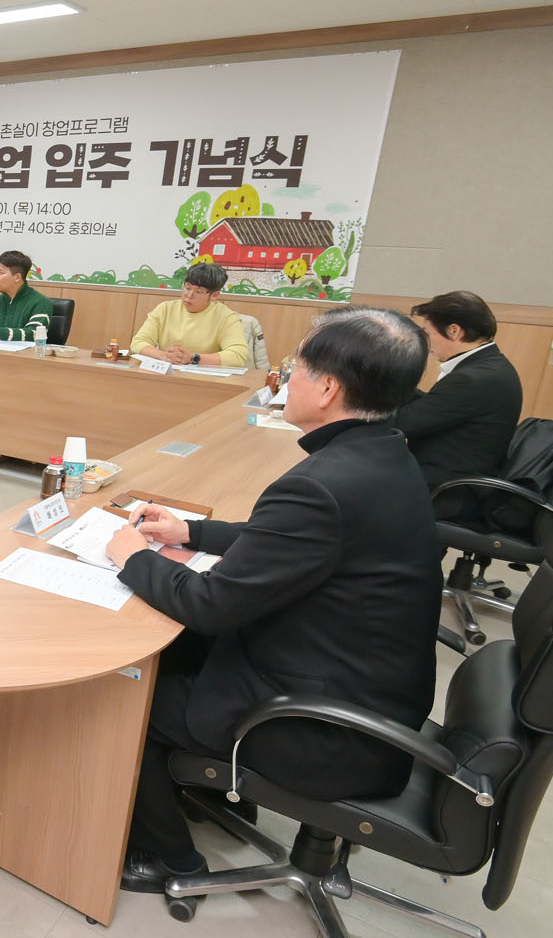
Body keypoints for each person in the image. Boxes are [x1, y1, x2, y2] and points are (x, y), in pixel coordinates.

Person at [102, 306, 440, 895]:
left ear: (328, 389)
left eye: (296, 368)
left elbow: (209, 604)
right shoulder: (382, 454)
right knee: (178, 654)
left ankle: (170, 859)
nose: (285, 378)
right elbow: (291, 543)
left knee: (127, 694)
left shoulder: (322, 485)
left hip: (322, 726)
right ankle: (215, 791)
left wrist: (133, 556)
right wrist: (192, 532)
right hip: (366, 690)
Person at [395, 290, 523, 520]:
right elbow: (438, 406)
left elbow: (403, 423)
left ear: (454, 331)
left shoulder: (473, 379)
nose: (426, 342)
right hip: (457, 478)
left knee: (356, 488)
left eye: (428, 333)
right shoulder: (490, 366)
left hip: (450, 492)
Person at [129, 262, 249, 367]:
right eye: (187, 288)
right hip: (167, 373)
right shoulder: (165, 309)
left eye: (198, 292)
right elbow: (138, 342)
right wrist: (163, 355)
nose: (189, 295)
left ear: (214, 295)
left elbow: (238, 355)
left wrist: (193, 358)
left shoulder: (226, 317)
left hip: (204, 379)